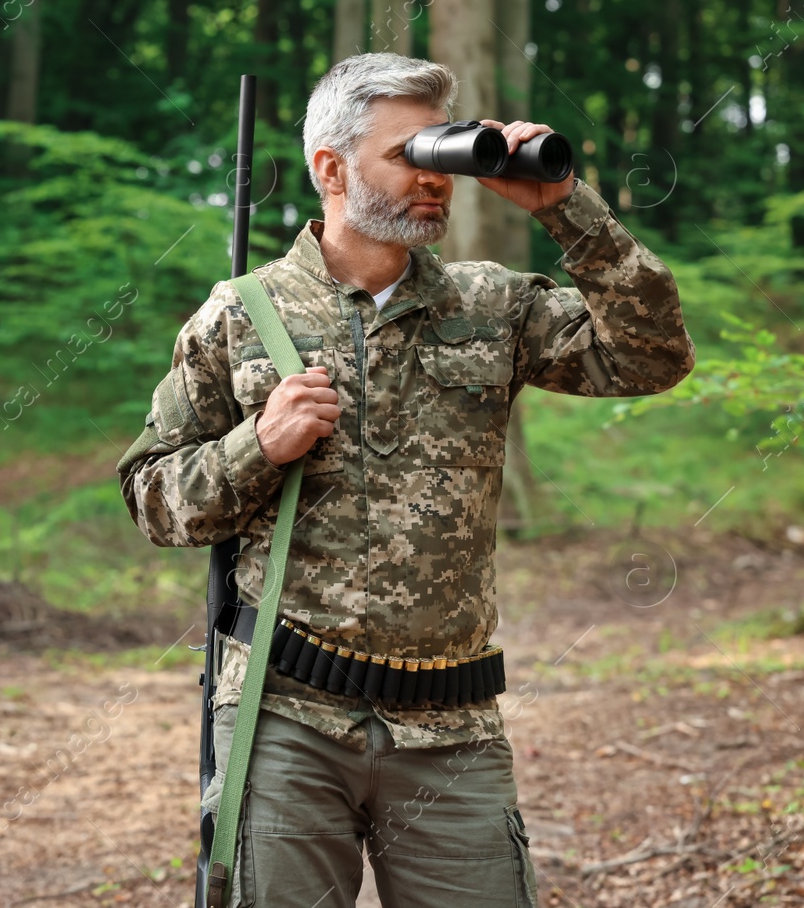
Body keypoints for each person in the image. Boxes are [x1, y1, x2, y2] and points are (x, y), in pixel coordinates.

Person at [115, 52, 696, 907]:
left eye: (443, 151)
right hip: (286, 717)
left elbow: (654, 357)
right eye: (409, 153)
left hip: (452, 727)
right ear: (331, 169)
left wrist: (569, 213)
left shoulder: (491, 305)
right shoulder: (242, 315)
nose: (435, 177)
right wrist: (257, 447)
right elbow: (150, 495)